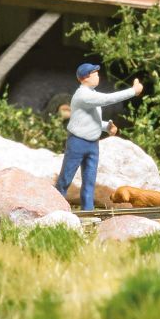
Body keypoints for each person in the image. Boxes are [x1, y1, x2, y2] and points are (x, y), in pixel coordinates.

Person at [54, 62, 143, 211]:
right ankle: (54, 208)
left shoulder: (92, 94)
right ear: (85, 77)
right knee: (66, 178)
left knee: (89, 181)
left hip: (92, 144)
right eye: (95, 74)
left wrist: (106, 127)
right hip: (77, 143)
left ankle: (88, 211)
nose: (98, 77)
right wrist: (133, 91)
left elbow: (89, 120)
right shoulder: (83, 95)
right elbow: (107, 99)